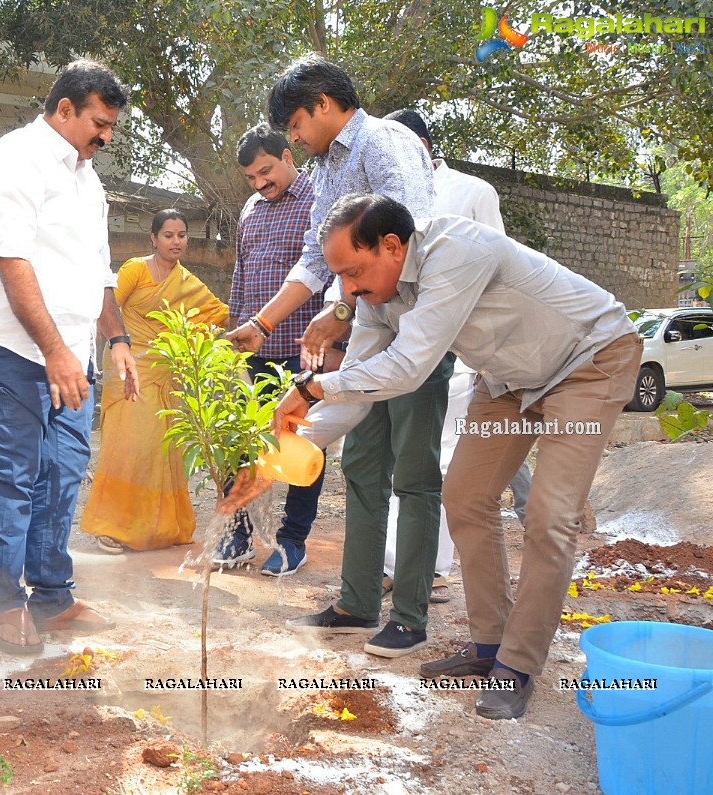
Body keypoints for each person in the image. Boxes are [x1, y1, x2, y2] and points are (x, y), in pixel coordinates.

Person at [244, 192, 640, 719]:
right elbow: (357, 395)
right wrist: (273, 461)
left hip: (589, 359)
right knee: (465, 498)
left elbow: (405, 369)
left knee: (550, 516)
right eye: (340, 276)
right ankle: (489, 648)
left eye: (353, 272)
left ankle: (517, 666)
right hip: (508, 380)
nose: (348, 291)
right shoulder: (376, 298)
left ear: (391, 246)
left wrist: (313, 387)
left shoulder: (455, 252)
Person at [226, 56, 446, 659]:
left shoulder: (384, 142)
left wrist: (345, 311)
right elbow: (317, 260)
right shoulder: (327, 171)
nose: (294, 136)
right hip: (361, 332)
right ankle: (355, 604)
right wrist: (261, 323)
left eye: (296, 123)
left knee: (416, 477)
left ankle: (411, 615)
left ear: (324, 102)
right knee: (364, 470)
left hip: (412, 333)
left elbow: (407, 241)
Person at [0, 59, 140, 655]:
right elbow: (12, 261)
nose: (105, 136)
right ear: (64, 109)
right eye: (99, 122)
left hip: (70, 347)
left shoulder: (87, 179)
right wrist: (54, 350)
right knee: (17, 471)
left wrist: (117, 341)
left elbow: (98, 273)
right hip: (12, 343)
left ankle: (53, 596)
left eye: (111, 126)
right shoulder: (12, 161)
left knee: (63, 468)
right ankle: (7, 606)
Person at [378, 108, 531, 602]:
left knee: (441, 460)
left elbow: (498, 265)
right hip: (410, 345)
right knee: (411, 457)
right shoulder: (388, 199)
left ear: (421, 145)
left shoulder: (472, 192)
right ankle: (399, 563)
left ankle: (424, 567)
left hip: (464, 353)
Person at [212, 125, 333, 576]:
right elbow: (242, 277)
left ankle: (291, 541)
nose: (260, 183)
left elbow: (324, 271)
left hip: (302, 351)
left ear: (287, 155)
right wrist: (233, 333)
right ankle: (237, 535)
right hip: (254, 351)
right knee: (241, 442)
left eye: (266, 171)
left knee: (300, 447)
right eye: (251, 178)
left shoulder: (318, 198)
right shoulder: (250, 209)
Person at [80, 209, 228, 552]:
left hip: (165, 374)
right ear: (153, 238)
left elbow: (216, 316)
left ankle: (163, 527)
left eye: (181, 235)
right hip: (128, 369)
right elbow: (106, 309)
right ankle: (112, 527)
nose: (176, 241)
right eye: (168, 235)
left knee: (161, 452)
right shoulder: (135, 269)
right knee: (128, 447)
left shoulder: (188, 282)